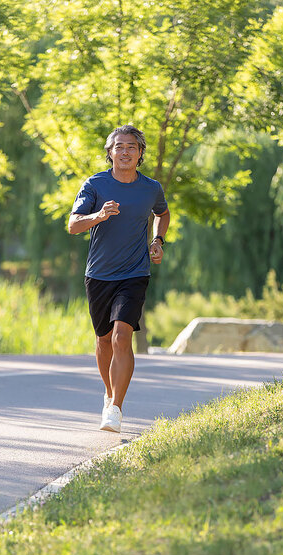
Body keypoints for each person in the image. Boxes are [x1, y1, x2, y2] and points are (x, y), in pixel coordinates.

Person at [68, 125, 170, 432]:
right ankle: (108, 393)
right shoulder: (95, 184)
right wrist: (98, 216)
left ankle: (115, 408)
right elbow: (73, 225)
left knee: (122, 336)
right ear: (110, 152)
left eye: (131, 147)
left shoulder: (151, 188)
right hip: (99, 274)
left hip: (135, 272)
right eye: (119, 147)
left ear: (140, 154)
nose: (125, 152)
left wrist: (158, 241)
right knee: (103, 341)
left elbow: (162, 214)